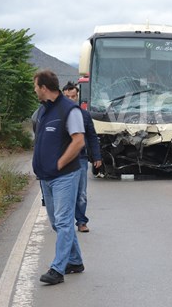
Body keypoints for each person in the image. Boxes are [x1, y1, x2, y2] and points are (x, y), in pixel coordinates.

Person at [32, 70, 85, 285]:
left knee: (63, 222)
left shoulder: (69, 110)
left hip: (64, 176)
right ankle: (75, 260)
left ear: (44, 87)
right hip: (45, 177)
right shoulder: (43, 110)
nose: (34, 90)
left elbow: (78, 141)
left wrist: (60, 163)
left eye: (36, 86)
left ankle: (57, 269)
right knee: (57, 223)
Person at [63, 81, 103, 233]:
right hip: (63, 159)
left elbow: (92, 137)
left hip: (80, 158)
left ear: (77, 96)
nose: (70, 99)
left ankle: (81, 221)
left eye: (73, 96)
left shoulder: (84, 115)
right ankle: (65, 222)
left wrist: (97, 157)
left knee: (81, 193)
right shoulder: (58, 114)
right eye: (67, 96)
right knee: (65, 192)